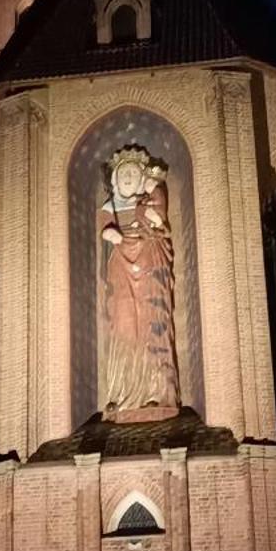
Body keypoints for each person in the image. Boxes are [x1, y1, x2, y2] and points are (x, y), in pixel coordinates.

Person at [100, 146, 180, 421]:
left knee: (151, 324)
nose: (128, 178)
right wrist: (113, 236)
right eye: (123, 174)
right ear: (114, 181)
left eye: (134, 173)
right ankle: (123, 394)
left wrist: (152, 226)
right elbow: (106, 232)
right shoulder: (109, 208)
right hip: (121, 274)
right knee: (124, 327)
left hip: (149, 270)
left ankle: (156, 393)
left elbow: (161, 230)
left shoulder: (149, 202)